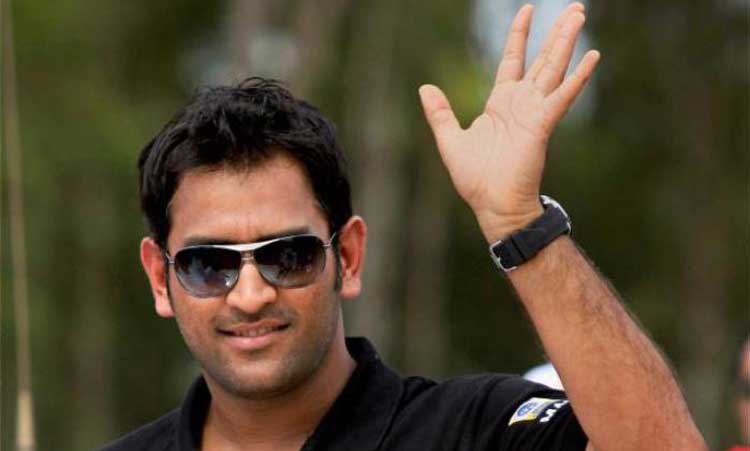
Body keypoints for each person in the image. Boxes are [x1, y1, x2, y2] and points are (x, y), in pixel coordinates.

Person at [99, 3, 707, 450]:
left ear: (348, 257)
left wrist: (519, 221)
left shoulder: (473, 431)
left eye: (288, 256)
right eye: (210, 265)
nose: (251, 294)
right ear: (160, 277)